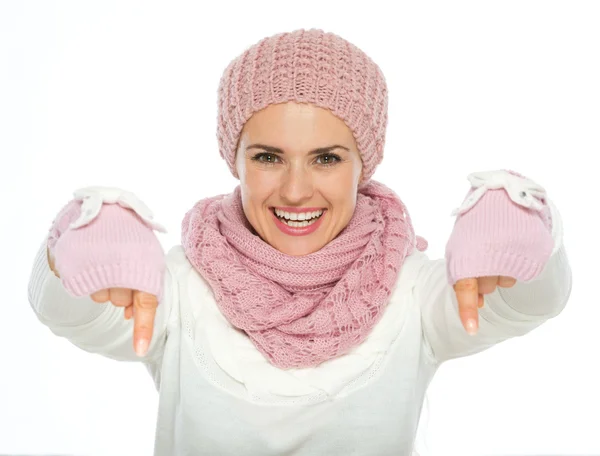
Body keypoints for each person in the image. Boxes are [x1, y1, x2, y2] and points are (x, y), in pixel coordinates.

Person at [28, 28, 572, 455]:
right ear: (234, 160)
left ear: (364, 164)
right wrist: (76, 243)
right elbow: (73, 314)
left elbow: (529, 303)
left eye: (327, 159)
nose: (294, 190)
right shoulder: (176, 287)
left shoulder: (411, 291)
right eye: (267, 157)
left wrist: (524, 224)